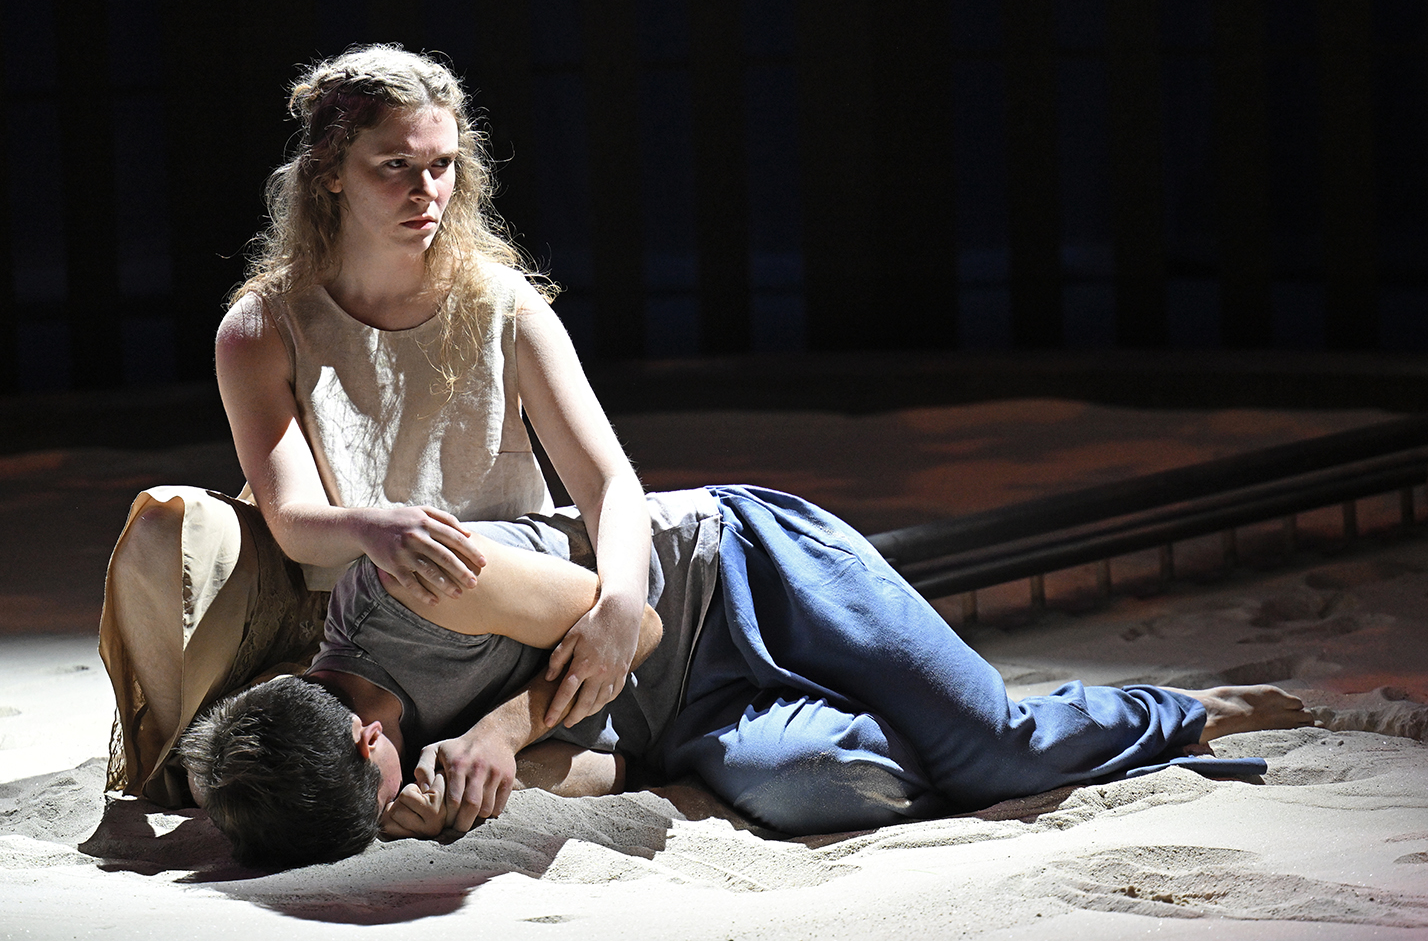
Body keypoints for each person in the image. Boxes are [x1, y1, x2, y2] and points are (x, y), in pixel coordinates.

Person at [182, 486, 1315, 868]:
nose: (398, 816)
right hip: (694, 716)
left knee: (993, 752)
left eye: (380, 808)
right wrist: (504, 783)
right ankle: (944, 700)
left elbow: (620, 625)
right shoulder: (341, 754)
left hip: (736, 571)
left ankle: (1175, 712)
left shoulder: (405, 591)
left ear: (363, 738)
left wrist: (497, 727)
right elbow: (613, 760)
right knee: (842, 786)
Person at [99, 44, 651, 808]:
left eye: (442, 165)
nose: (426, 191)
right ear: (330, 171)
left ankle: (465, 755)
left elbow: (608, 480)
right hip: (335, 615)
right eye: (394, 165)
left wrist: (622, 601)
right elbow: (291, 520)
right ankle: (179, 763)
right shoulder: (264, 325)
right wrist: (373, 528)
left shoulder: (502, 303)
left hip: (487, 600)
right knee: (166, 522)